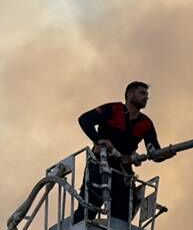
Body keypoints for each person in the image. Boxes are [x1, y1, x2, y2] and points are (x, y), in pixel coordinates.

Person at [74, 81, 175, 222]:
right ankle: (78, 225)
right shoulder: (113, 109)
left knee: (123, 211)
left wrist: (165, 154)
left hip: (123, 170)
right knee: (90, 203)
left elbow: (154, 152)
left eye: (147, 95)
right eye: (142, 93)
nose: (146, 97)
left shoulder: (145, 123)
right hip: (100, 162)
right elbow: (85, 120)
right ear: (129, 94)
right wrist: (98, 140)